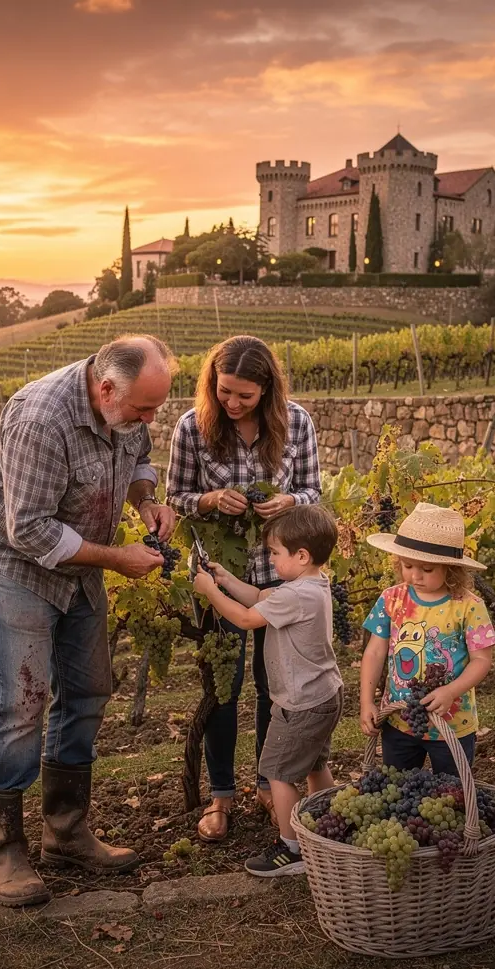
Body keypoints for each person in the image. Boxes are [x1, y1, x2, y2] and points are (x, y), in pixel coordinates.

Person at [0, 335, 177, 907]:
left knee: (88, 690)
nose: (150, 420)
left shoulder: (129, 406)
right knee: (22, 703)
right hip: (12, 563)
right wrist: (116, 558)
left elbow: (139, 458)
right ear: (105, 390)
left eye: (155, 408)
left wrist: (146, 501)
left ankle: (65, 830)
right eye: (143, 409)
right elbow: (28, 529)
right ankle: (4, 849)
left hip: (78, 561)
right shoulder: (41, 420)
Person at [166, 335, 321, 842]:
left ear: (267, 390)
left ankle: (267, 783)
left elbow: (313, 491)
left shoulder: (297, 423)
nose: (232, 402)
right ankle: (221, 795)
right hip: (220, 575)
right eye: (224, 391)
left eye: (244, 395)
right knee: (223, 688)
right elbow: (175, 497)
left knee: (276, 686)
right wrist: (210, 501)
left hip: (282, 575)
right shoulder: (191, 427)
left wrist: (289, 502)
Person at [192, 504, 343, 876]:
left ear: (301, 556)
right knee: (315, 764)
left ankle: (292, 849)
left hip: (300, 703)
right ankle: (332, 823)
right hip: (325, 695)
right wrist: (225, 579)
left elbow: (246, 618)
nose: (271, 560)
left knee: (277, 771)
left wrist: (210, 591)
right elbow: (261, 598)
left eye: (275, 553)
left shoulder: (295, 596)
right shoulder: (312, 585)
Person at [358, 502, 495, 772]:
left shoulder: (469, 606)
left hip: (452, 724)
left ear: (450, 568)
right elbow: (374, 652)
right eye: (407, 565)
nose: (415, 575)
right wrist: (366, 701)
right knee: (399, 789)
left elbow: (482, 660)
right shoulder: (391, 599)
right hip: (399, 720)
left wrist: (451, 691)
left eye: (427, 569)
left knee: (451, 790)